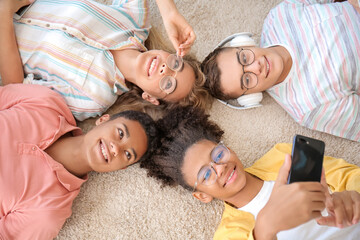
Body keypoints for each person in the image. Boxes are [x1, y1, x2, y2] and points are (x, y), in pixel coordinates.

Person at [141, 106, 360, 240]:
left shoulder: (281, 155)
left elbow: (350, 175)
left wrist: (350, 197)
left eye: (217, 154)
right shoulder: (229, 234)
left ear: (228, 148)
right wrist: (264, 230)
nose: (220, 167)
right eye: (206, 175)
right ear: (202, 195)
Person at [0, 0, 210, 121]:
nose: (166, 69)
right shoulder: (134, 23)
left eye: (168, 83)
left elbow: (17, 91)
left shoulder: (93, 98)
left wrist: (4, 12)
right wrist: (169, 13)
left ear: (150, 98)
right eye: (176, 64)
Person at [0, 83, 158, 239]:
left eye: (128, 154)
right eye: (120, 133)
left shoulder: (47, 212)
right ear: (103, 120)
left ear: (121, 168)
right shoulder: (46, 102)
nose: (116, 148)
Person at [201, 0, 360, 142]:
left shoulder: (279, 16)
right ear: (251, 97)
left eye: (244, 58)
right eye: (247, 80)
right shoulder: (306, 107)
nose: (256, 67)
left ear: (245, 42)